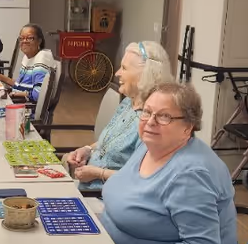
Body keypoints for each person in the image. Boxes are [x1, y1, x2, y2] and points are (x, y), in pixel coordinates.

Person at [100, 82, 236, 244]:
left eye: (164, 116)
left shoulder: (190, 176)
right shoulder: (152, 145)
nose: (150, 122)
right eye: (146, 112)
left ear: (188, 127)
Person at [63, 41, 172, 193]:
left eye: (124, 68)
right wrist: (87, 149)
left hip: (104, 196)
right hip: (86, 185)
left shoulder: (151, 122)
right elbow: (111, 138)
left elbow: (143, 178)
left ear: (145, 75)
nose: (117, 73)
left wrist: (98, 173)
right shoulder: (128, 102)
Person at [0, 24, 55, 103]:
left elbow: (38, 94)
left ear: (39, 41)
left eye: (29, 38)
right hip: (19, 103)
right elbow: (20, 84)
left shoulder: (42, 58)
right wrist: (1, 78)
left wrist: (15, 93)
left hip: (27, 109)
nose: (24, 41)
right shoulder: (28, 57)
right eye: (21, 38)